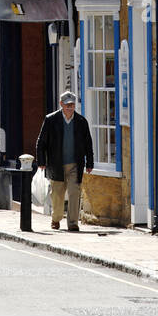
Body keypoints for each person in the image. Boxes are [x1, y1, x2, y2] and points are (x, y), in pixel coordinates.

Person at [34, 90, 94, 232]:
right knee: (57, 195)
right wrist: (41, 161)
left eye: (72, 105)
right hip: (56, 164)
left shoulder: (81, 121)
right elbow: (41, 142)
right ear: (61, 104)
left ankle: (73, 223)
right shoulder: (51, 119)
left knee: (75, 192)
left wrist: (90, 162)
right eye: (67, 105)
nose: (70, 108)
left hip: (75, 164)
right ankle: (56, 218)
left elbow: (88, 143)